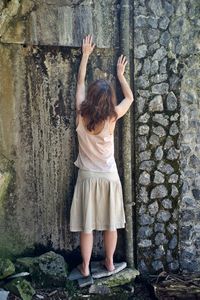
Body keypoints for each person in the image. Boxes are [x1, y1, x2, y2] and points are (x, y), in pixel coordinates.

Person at [70, 34, 134, 277]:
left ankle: (85, 267)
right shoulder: (112, 118)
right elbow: (129, 98)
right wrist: (120, 75)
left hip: (87, 177)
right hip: (108, 177)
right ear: (108, 101)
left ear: (91, 97)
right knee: (110, 224)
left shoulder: (81, 114)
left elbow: (79, 84)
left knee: (87, 227)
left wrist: (85, 55)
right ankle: (108, 263)